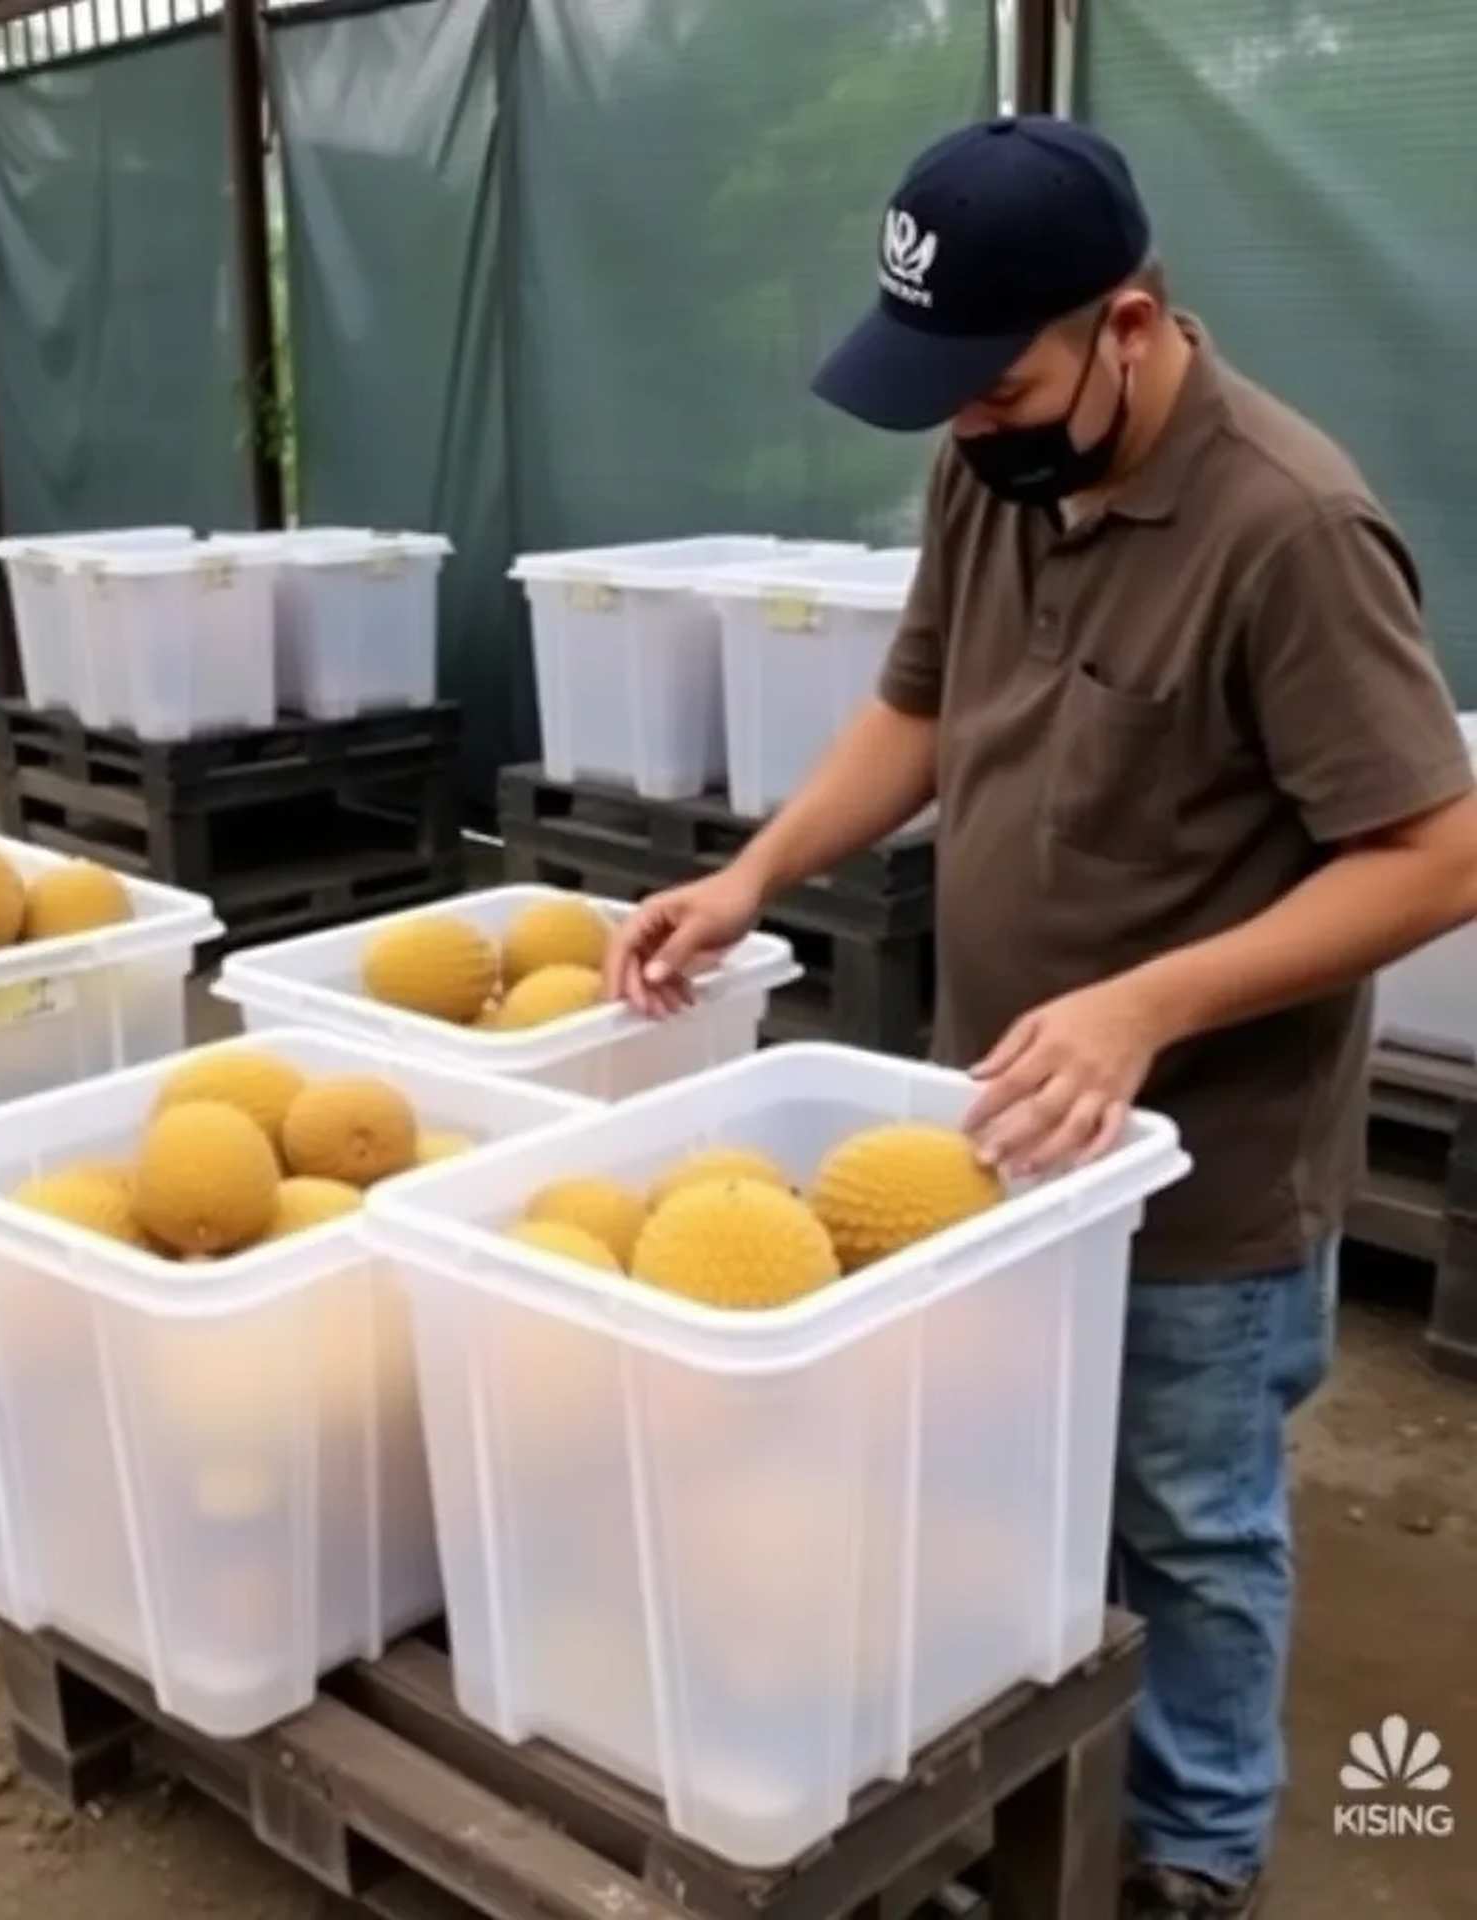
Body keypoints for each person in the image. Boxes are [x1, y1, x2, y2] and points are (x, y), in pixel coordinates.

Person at [607, 117, 1477, 1920]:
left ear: (1132, 327)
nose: (964, 427)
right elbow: (918, 710)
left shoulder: (1288, 531)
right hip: (993, 1126)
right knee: (1008, 1483)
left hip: (1201, 1166)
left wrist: (1150, 1005)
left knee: (1190, 1517)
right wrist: (753, 872)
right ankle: (1020, 1795)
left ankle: (1195, 1852)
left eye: (997, 387)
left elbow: (1439, 850)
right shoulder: (993, 468)